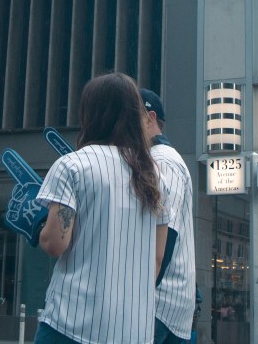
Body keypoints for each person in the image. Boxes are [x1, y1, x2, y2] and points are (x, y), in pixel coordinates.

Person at [35, 72, 168, 344]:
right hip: (134, 330)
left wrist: (37, 224)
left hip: (71, 323)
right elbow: (158, 257)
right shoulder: (154, 175)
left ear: (89, 114)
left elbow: (54, 244)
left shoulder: (72, 166)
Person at [140, 88, 197, 344]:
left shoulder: (162, 161)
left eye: (131, 117)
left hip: (159, 305)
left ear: (150, 118)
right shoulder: (156, 159)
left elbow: (166, 235)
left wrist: (140, 295)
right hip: (164, 305)